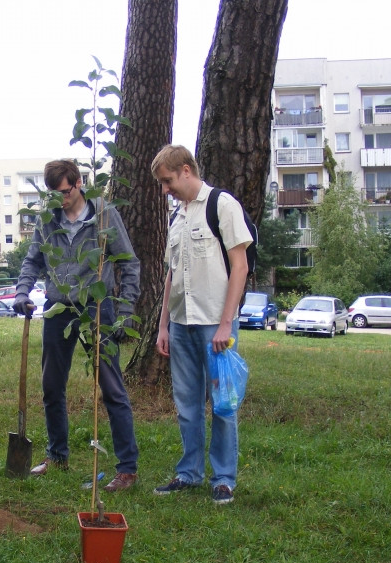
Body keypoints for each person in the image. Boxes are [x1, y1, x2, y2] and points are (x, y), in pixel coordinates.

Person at [13, 159, 140, 491]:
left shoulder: (105, 215)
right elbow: (32, 260)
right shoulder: (47, 218)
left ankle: (127, 469)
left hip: (97, 308)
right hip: (58, 309)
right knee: (51, 385)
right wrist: (22, 292)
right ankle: (57, 456)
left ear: (79, 183)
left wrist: (125, 309)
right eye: (54, 194)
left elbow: (129, 262)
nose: (61, 199)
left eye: (66, 192)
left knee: (111, 388)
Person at [151, 144, 253, 504]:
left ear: (186, 170)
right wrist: (163, 326)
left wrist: (226, 324)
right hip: (181, 324)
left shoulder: (222, 205)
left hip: (215, 325)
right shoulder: (176, 218)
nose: (166, 189)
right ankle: (189, 473)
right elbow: (171, 274)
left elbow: (240, 266)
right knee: (187, 404)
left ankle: (223, 479)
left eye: (168, 181)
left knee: (223, 404)